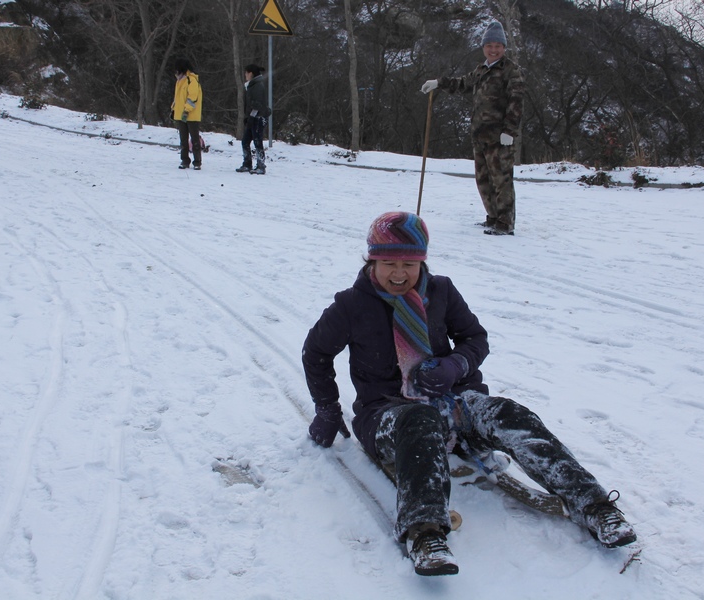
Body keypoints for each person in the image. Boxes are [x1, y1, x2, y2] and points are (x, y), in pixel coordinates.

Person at [302, 211, 636, 577]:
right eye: (389, 263)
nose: (399, 273)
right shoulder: (351, 305)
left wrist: (456, 366)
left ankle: (594, 504)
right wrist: (327, 409)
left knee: (506, 412)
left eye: (409, 263)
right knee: (419, 420)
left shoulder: (441, 290)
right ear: (372, 260)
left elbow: (475, 338)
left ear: (422, 261)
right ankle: (424, 533)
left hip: (454, 400)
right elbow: (316, 353)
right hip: (387, 412)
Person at [421, 21, 525, 236]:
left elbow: (516, 101)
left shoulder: (511, 70)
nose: (493, 49)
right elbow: (462, 83)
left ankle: (505, 223)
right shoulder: (481, 69)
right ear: (483, 47)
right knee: (484, 181)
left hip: (500, 136)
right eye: (490, 45)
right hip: (480, 135)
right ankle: (493, 217)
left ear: (504, 48)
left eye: (498, 46)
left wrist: (509, 131)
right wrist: (439, 83)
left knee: (501, 180)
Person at [236, 64, 271, 175]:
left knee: (257, 141)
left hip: (258, 118)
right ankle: (247, 164)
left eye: (246, 73)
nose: (245, 75)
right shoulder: (252, 85)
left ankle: (261, 165)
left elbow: (258, 104)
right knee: (245, 141)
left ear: (250, 73)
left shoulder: (257, 86)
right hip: (253, 117)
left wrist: (251, 116)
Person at [172, 58, 203, 170]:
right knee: (183, 140)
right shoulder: (180, 81)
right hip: (180, 115)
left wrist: (186, 110)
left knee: (194, 140)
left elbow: (192, 97)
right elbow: (177, 98)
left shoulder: (192, 80)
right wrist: (173, 109)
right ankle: (185, 160)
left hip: (191, 115)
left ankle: (197, 162)